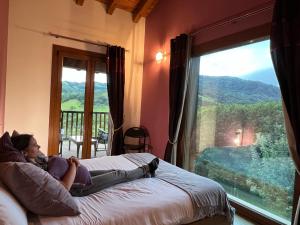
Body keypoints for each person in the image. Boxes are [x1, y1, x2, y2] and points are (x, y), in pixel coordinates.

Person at [11, 134, 159, 197]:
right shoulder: (32, 169)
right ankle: (146, 169)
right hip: (81, 186)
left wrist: (68, 162)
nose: (39, 146)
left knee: (115, 170)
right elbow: (64, 187)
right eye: (34, 145)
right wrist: (74, 165)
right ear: (24, 152)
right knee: (119, 175)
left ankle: (145, 173)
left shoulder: (35, 159)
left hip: (79, 175)